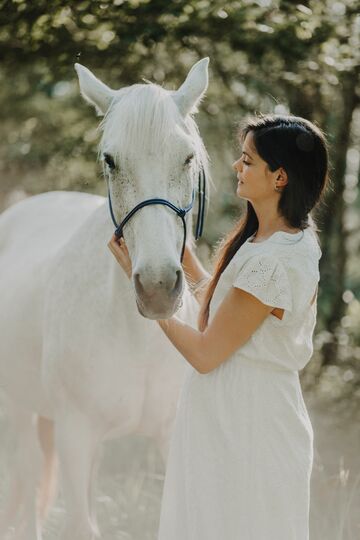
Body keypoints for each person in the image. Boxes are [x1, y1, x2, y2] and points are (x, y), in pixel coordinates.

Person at [108, 113, 330, 540]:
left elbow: (206, 353)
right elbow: (225, 305)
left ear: (279, 177)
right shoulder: (271, 241)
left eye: (247, 161)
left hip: (248, 426)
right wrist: (178, 249)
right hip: (231, 416)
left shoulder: (274, 261)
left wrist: (150, 296)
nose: (236, 167)